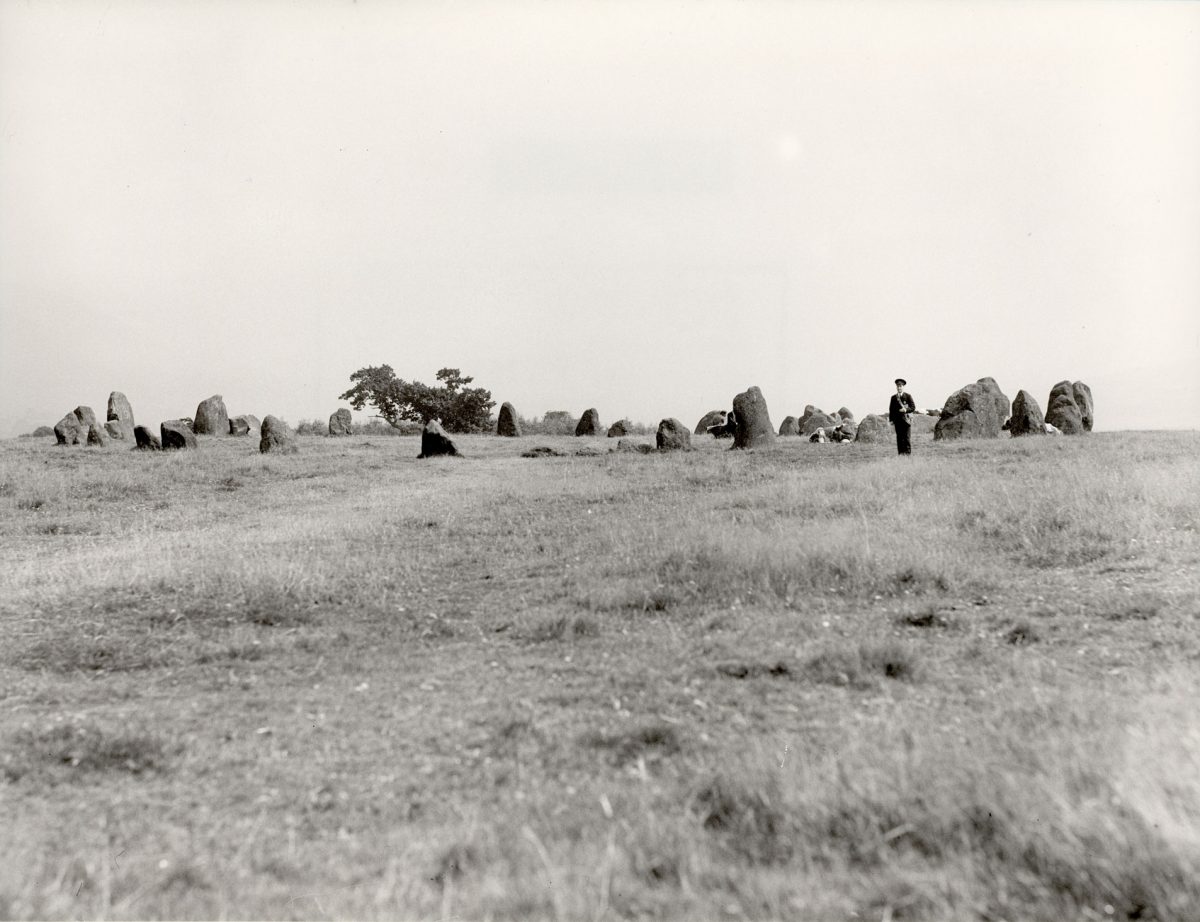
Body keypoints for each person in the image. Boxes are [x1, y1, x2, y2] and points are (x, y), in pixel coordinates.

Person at [888, 378, 917, 455]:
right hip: (897, 421)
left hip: (906, 421)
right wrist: (891, 420)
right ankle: (900, 454)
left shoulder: (908, 396)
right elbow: (891, 410)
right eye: (898, 386)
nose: (899, 387)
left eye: (900, 386)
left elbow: (913, 407)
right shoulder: (893, 398)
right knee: (899, 439)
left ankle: (908, 455)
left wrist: (905, 410)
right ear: (896, 387)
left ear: (903, 387)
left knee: (907, 438)